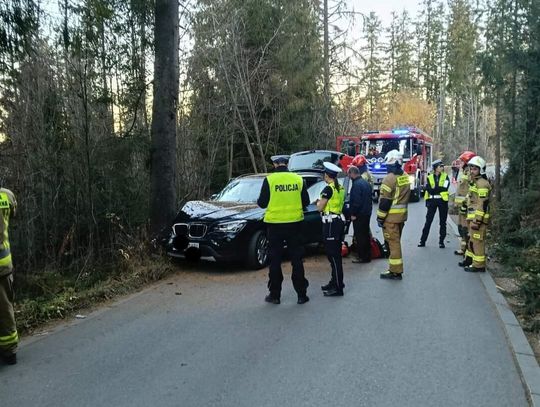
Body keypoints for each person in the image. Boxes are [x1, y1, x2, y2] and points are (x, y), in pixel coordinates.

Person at [257, 155, 310, 304]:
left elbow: (262, 203)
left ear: (274, 164)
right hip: (294, 224)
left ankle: (275, 295)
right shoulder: (298, 179)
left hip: (274, 226)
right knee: (297, 259)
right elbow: (306, 201)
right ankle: (301, 295)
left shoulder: (269, 180)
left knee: (275, 260)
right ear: (287, 164)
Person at [376, 150, 411, 280]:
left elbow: (385, 202)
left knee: (393, 244)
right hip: (401, 217)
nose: (386, 167)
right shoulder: (405, 176)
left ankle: (395, 271)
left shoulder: (389, 179)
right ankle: (395, 269)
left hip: (390, 218)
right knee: (396, 241)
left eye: (388, 164)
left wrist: (380, 217)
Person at [317, 162, 346, 296]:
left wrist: (318, 202)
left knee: (333, 256)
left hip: (330, 224)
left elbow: (320, 207)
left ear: (327, 175)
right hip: (338, 222)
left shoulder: (328, 189)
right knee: (335, 255)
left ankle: (338, 287)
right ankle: (335, 281)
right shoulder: (340, 187)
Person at [459, 156, 491, 272]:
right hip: (472, 218)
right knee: (471, 240)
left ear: (481, 170)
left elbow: (482, 204)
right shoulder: (475, 182)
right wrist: (464, 207)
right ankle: (470, 260)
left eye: (475, 169)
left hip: (479, 220)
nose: (472, 171)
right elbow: (471, 199)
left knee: (477, 241)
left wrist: (477, 220)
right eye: (471, 169)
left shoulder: (482, 184)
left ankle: (479, 265)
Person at [0, 185, 18, 365]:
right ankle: (10, 351)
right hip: (3, 265)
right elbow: (13, 215)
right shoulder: (7, 195)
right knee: (5, 309)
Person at [418, 159, 450, 248]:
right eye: (440, 166)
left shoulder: (445, 176)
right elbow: (429, 190)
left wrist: (434, 189)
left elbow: (445, 188)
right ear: (435, 168)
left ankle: (441, 242)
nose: (442, 168)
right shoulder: (429, 177)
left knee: (442, 222)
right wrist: (435, 189)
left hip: (442, 201)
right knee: (428, 222)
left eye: (442, 166)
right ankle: (422, 241)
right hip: (432, 202)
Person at [347, 165, 373, 263]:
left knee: (360, 236)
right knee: (365, 235)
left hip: (359, 215)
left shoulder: (356, 185)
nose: (348, 177)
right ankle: (367, 255)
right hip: (366, 213)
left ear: (352, 173)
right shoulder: (365, 183)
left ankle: (362, 257)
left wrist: (353, 214)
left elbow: (356, 202)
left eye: (349, 174)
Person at [453, 151, 476, 256]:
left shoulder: (469, 173)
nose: (460, 162)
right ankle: (463, 249)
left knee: (466, 229)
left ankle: (467, 250)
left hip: (466, 206)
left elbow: (471, 190)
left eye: (462, 161)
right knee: (462, 228)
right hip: (461, 207)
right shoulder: (464, 172)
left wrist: (465, 204)